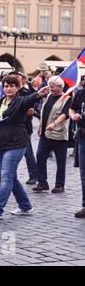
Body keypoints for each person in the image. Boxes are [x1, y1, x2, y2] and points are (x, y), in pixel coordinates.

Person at [0, 76, 50, 220]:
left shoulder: (20, 101)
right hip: (0, 144)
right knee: (12, 177)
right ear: (3, 88)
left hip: (16, 143)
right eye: (6, 86)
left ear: (18, 88)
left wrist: (38, 94)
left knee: (5, 177)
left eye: (12, 86)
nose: (9, 88)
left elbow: (28, 100)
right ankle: (25, 206)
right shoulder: (0, 102)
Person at [33, 76, 72, 194]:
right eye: (50, 85)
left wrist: (54, 124)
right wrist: (40, 126)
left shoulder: (67, 98)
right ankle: (42, 183)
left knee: (60, 161)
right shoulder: (49, 96)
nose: (50, 88)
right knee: (40, 156)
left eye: (53, 86)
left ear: (60, 87)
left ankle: (59, 185)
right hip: (45, 133)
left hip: (59, 134)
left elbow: (65, 114)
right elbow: (43, 113)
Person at [69, 86, 85, 218]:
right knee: (84, 173)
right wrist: (74, 115)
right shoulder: (80, 93)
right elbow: (72, 109)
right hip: (83, 137)